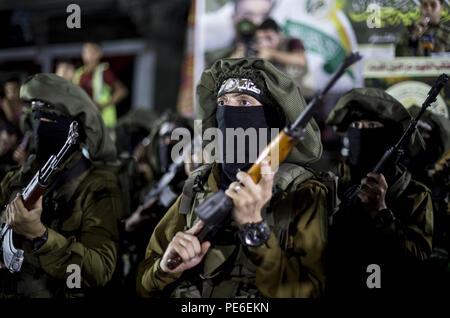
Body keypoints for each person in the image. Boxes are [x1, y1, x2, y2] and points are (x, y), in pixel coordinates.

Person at [137, 57, 327, 298]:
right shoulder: (200, 184)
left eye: (245, 102)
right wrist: (164, 268)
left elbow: (309, 291)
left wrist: (255, 231)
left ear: (270, 119)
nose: (229, 112)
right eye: (222, 102)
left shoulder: (304, 191)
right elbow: (143, 283)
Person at [0, 73, 122, 298]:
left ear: (73, 130)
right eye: (37, 116)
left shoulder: (98, 186)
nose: (41, 125)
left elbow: (99, 271)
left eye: (50, 119)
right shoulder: (17, 177)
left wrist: (40, 236)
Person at [326, 88, 433, 297]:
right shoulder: (331, 184)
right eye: (356, 126)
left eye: (372, 126)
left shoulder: (414, 193)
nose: (362, 132)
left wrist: (381, 214)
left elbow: (418, 262)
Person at [73, 42, 128, 128]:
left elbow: (122, 91)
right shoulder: (79, 73)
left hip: (103, 121)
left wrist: (104, 106)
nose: (87, 55)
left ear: (99, 54)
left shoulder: (103, 72)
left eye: (91, 51)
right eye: (85, 52)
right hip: (84, 120)